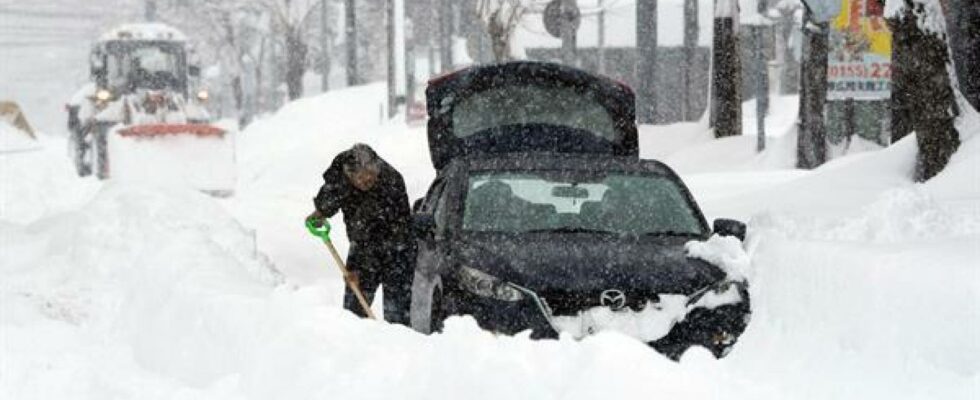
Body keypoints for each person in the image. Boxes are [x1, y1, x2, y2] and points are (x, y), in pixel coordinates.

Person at [307, 144, 414, 325]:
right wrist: (319, 212)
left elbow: (396, 229)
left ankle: (397, 344)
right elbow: (330, 196)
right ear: (349, 176)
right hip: (363, 244)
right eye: (362, 180)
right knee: (353, 312)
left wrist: (359, 266)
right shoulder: (340, 175)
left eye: (371, 177)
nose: (367, 182)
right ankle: (353, 343)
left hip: (397, 247)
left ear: (377, 168)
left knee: (397, 312)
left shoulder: (392, 182)